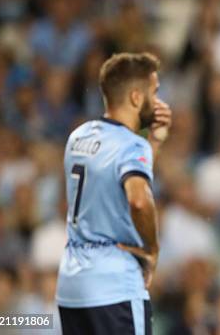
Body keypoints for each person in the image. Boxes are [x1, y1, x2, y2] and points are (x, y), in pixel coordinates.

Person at [56, 52, 172, 335]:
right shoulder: (131, 146)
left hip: (72, 284)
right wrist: (151, 250)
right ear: (135, 97)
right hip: (114, 284)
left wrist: (154, 142)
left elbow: (119, 182)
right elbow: (138, 198)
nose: (157, 102)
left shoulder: (78, 137)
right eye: (154, 92)